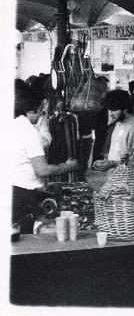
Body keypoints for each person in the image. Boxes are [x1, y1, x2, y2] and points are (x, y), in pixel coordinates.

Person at [12, 81, 79, 233]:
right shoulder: (28, 131)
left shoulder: (12, 126)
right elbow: (42, 170)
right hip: (22, 196)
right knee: (26, 241)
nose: (43, 111)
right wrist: (70, 167)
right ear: (30, 108)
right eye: (40, 108)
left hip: (13, 191)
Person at [92, 90, 134, 175]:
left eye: (114, 110)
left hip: (130, 183)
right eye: (109, 109)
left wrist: (112, 164)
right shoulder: (118, 123)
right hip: (116, 180)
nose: (110, 113)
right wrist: (106, 163)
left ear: (125, 109)